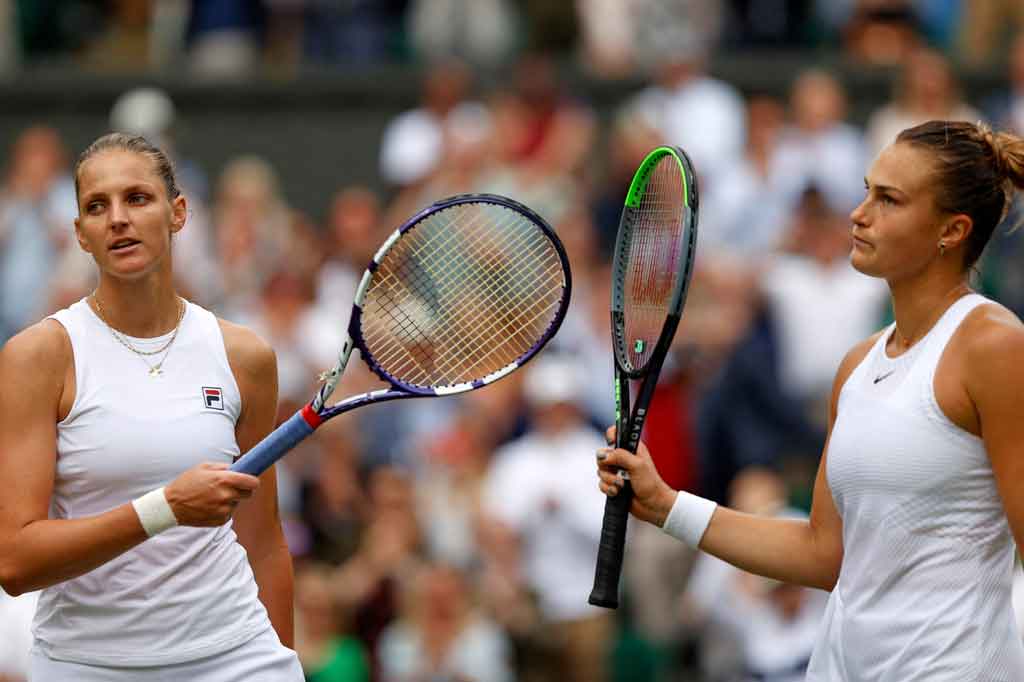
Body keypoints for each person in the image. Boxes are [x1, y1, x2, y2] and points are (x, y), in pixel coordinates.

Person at [597, 119, 1024, 680]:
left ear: (952, 230)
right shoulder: (857, 366)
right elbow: (822, 553)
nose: (858, 212)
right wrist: (667, 505)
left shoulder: (994, 347)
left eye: (889, 200)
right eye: (868, 189)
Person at [0, 133, 302, 680]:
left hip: (236, 655)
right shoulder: (37, 357)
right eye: (97, 207)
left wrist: (282, 659)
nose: (117, 218)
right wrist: (165, 508)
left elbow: (263, 542)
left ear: (178, 213)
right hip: (84, 663)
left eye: (137, 198)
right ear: (81, 235)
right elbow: (14, 561)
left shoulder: (246, 358)